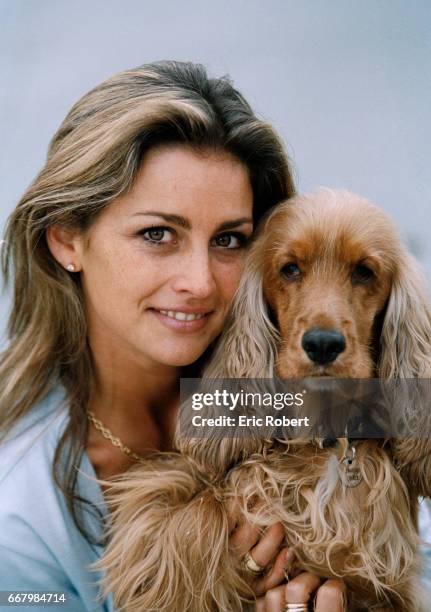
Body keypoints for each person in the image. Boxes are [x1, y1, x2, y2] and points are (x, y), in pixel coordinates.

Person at [0, 61, 348, 612]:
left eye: (230, 240)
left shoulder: (304, 377)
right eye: (158, 234)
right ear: (66, 239)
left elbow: (415, 508)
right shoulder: (18, 514)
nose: (200, 282)